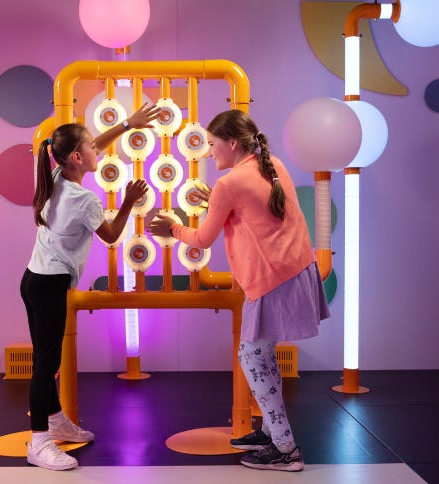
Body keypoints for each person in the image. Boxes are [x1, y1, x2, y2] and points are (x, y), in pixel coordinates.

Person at [148, 109, 330, 472]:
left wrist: (173, 228)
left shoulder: (229, 183)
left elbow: (201, 240)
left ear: (232, 143)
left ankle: (286, 450)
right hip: (295, 271)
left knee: (252, 357)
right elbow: (255, 213)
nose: (209, 152)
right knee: (261, 356)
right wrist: (211, 203)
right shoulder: (270, 164)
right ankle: (271, 431)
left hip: (272, 280)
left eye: (213, 145)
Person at [21, 103, 160, 471]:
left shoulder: (56, 176)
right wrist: (129, 202)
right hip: (48, 286)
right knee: (45, 365)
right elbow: (113, 236)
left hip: (34, 280)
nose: (99, 150)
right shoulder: (83, 199)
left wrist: (128, 124)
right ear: (78, 158)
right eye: (93, 150)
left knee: (45, 359)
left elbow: (89, 144)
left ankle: (54, 418)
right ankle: (39, 443)